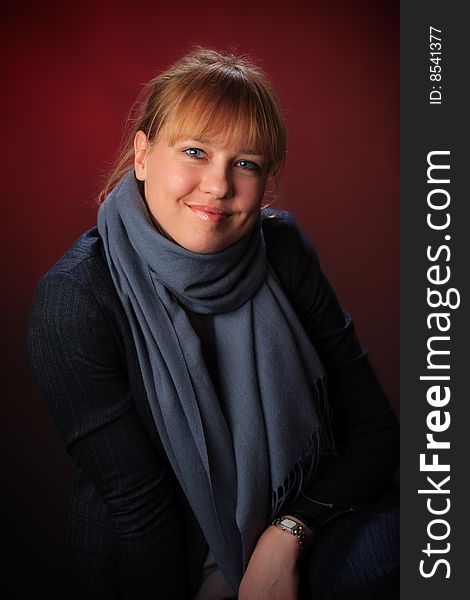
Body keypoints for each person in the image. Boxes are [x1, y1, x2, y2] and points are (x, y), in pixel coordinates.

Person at [27, 47, 399, 600]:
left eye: (245, 163)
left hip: (291, 527)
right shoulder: (76, 296)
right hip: (152, 556)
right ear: (143, 156)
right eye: (196, 152)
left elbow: (373, 432)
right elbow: (139, 507)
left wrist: (286, 535)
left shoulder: (282, 250)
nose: (219, 186)